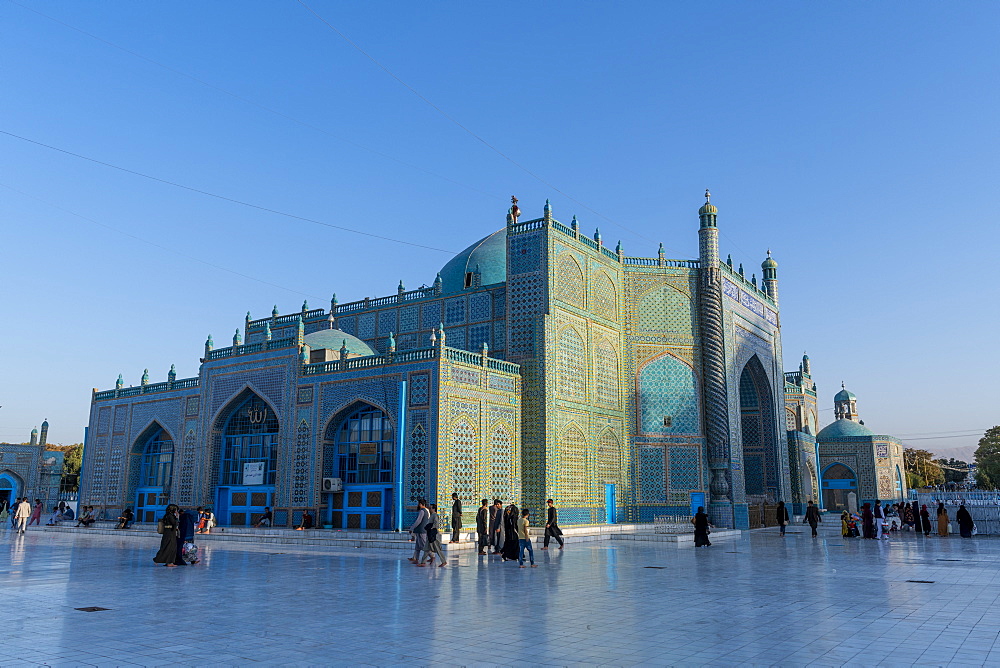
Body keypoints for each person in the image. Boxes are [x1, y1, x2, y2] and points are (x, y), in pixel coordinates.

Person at [408, 499, 431, 566]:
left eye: (419, 504)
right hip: (421, 530)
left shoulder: (422, 511)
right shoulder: (427, 510)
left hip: (422, 530)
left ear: (420, 504)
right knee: (418, 546)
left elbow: (418, 521)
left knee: (423, 545)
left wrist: (412, 528)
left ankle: (431, 556)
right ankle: (415, 558)